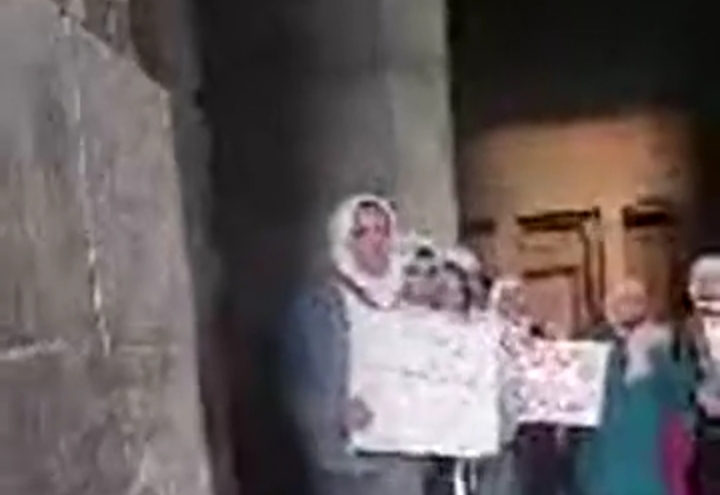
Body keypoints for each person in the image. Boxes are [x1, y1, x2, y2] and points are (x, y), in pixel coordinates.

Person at [285, 194, 423, 495]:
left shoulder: (415, 299)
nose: (375, 241)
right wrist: (334, 414)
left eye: (381, 230)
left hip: (405, 454)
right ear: (345, 240)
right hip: (347, 460)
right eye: (362, 232)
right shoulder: (318, 305)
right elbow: (297, 382)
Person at [575, 279, 696, 495]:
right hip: (607, 451)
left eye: (635, 301)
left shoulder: (667, 342)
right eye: (622, 302)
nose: (628, 307)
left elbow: (683, 394)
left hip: (648, 448)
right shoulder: (592, 344)